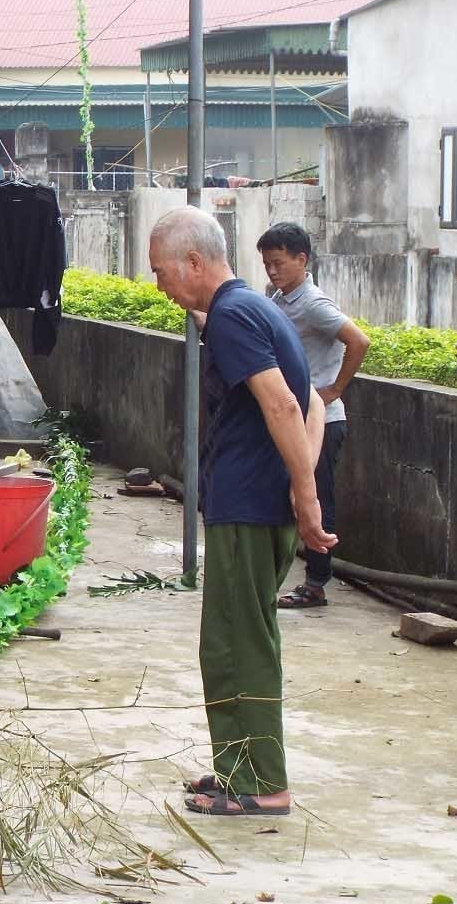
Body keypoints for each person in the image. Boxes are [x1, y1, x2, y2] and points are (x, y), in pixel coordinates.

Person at [148, 207, 338, 818]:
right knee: (231, 638)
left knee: (239, 644)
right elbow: (310, 402)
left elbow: (285, 405)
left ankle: (262, 783)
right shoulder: (252, 311)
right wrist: (297, 484)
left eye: (162, 272)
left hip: (247, 510)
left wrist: (305, 499)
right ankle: (240, 768)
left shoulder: (234, 318)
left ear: (195, 263)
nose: (159, 286)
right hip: (256, 504)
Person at [257, 223, 370, 609]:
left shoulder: (314, 303)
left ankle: (317, 583)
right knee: (290, 496)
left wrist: (334, 389)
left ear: (301, 260)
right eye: (267, 265)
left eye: (278, 263)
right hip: (296, 418)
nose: (272, 272)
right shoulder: (280, 299)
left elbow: (359, 341)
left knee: (316, 499)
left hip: (322, 420)